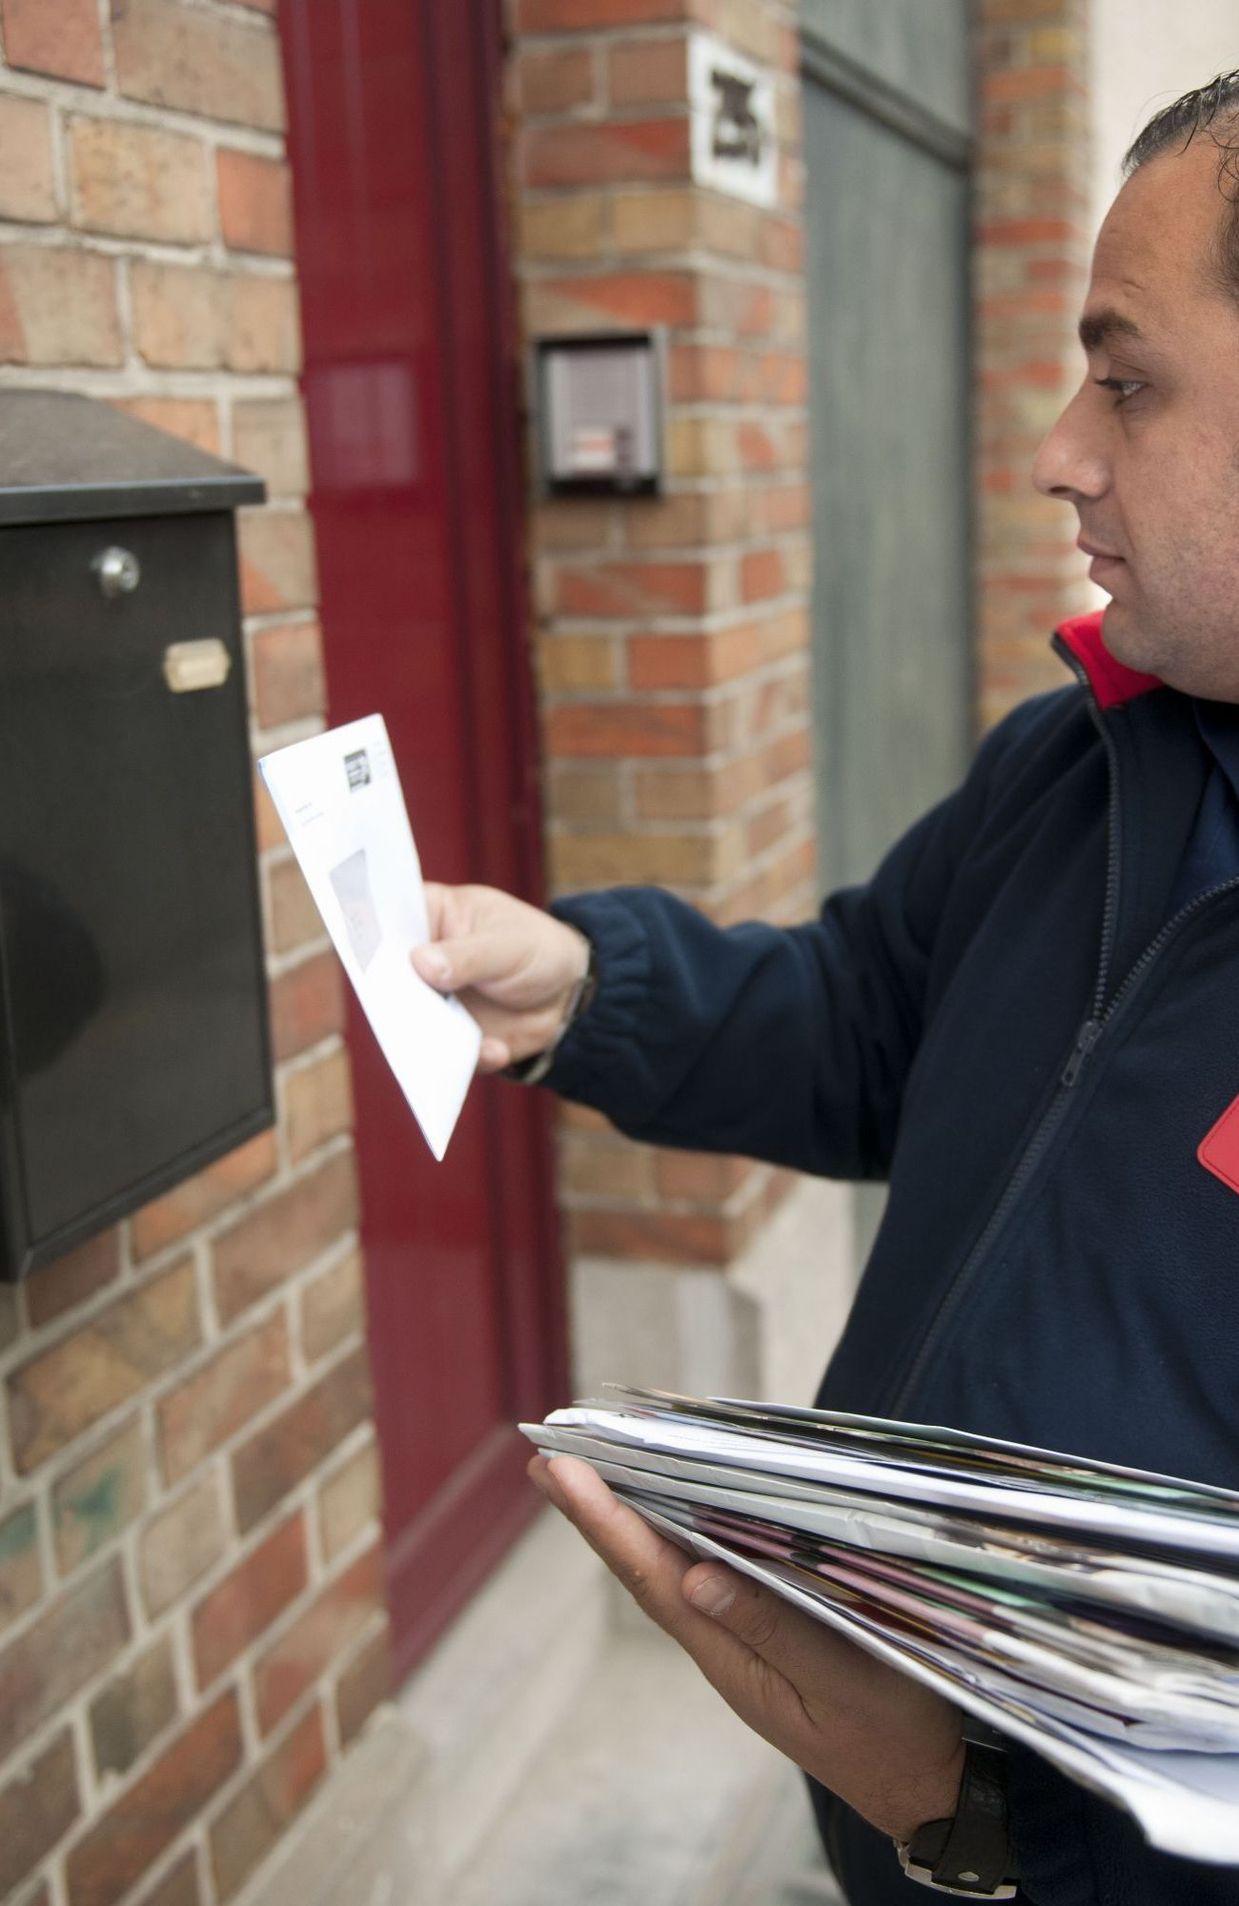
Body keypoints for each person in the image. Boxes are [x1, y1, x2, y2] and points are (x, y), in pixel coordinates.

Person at [411, 75, 1239, 1906]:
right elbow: (868, 1017)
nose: (1056, 450)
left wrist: (978, 1821)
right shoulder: (1075, 766)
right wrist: (578, 989)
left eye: (1128, 378)